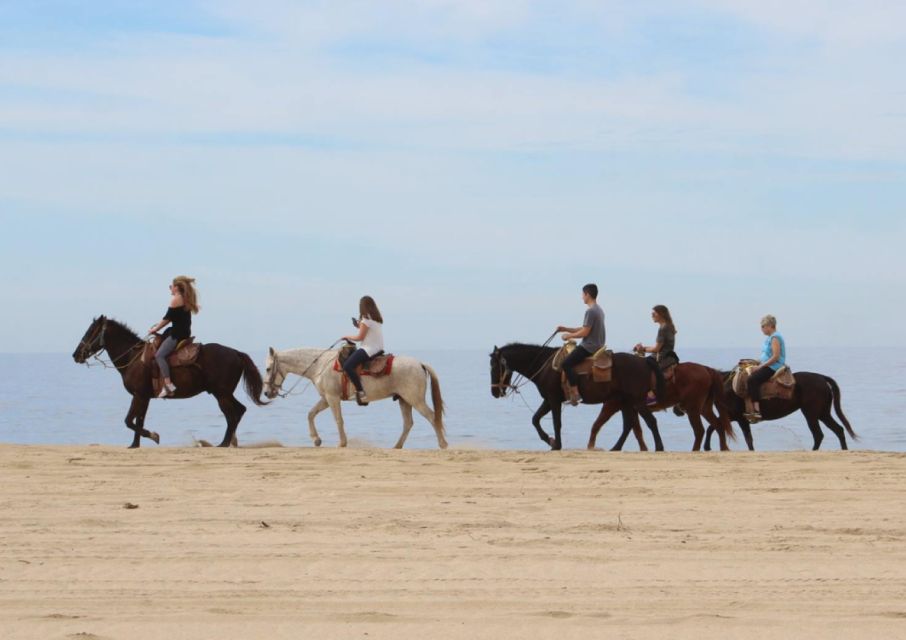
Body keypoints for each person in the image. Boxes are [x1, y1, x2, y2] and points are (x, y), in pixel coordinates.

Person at [147, 276, 200, 398]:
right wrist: (158, 328)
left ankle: (168, 384)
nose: (170, 288)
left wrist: (155, 329)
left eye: (171, 286)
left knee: (159, 355)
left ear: (176, 288)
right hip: (182, 331)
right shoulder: (184, 298)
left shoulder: (176, 300)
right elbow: (171, 318)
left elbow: (167, 319)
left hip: (177, 334)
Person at [556, 284, 606, 406]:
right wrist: (565, 329)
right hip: (597, 344)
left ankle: (575, 392)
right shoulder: (598, 310)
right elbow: (584, 327)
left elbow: (585, 332)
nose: (582, 297)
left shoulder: (590, 311)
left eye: (582, 295)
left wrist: (569, 336)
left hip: (589, 346)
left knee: (566, 364)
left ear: (587, 294)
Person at [341, 295, 385, 406]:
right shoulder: (375, 319)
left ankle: (360, 391)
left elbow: (359, 338)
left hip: (369, 348)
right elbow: (367, 332)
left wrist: (347, 336)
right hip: (378, 347)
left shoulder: (365, 320)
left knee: (347, 366)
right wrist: (359, 326)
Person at [634, 305, 679, 405]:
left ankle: (652, 395)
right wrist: (644, 348)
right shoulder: (668, 326)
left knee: (643, 368)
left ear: (661, 314)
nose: (652, 315)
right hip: (669, 356)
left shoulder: (663, 329)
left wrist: (642, 349)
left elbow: (656, 349)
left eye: (654, 313)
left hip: (662, 357)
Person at [745, 314, 787, 421]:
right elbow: (767, 355)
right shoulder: (770, 338)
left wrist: (759, 368)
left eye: (763, 326)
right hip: (768, 364)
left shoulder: (775, 338)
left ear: (770, 326)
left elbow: (776, 356)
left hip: (774, 366)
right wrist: (756, 362)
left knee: (752, 380)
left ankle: (757, 411)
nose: (762, 329)